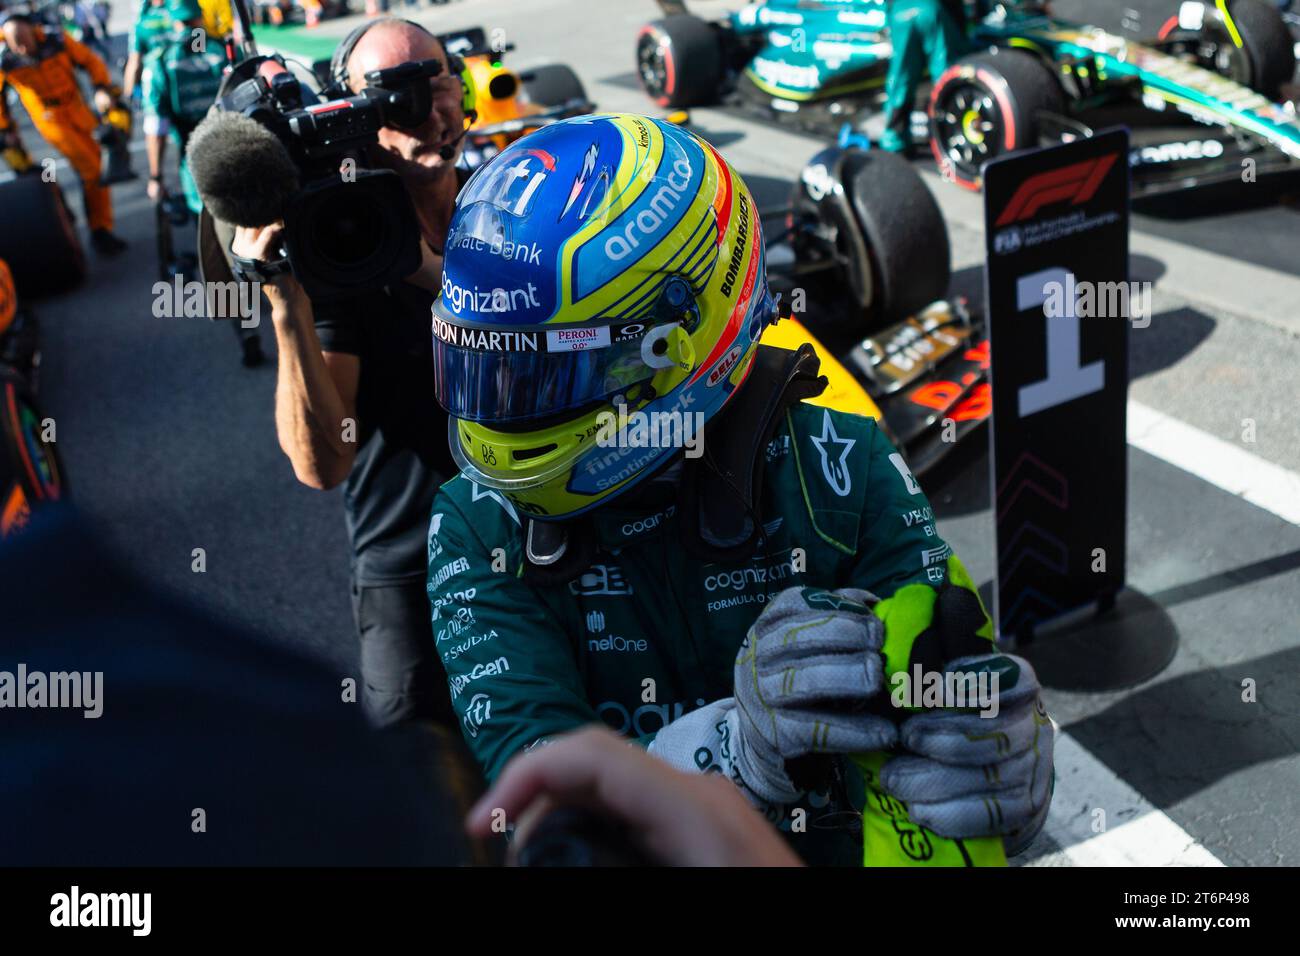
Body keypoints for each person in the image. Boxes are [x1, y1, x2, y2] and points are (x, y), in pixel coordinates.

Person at [425, 113, 1055, 865]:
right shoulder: (474, 524)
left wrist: (1004, 753)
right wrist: (727, 754)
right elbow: (536, 804)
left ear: (680, 345)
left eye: (543, 377)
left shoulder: (840, 460)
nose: (502, 411)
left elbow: (951, 654)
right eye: (482, 371)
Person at [228, 18, 474, 728]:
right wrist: (282, 297)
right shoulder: (344, 247)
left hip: (544, 533)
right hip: (412, 560)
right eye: (395, 95)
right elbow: (323, 463)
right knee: (421, 781)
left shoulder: (513, 206)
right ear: (353, 114)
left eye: (436, 82)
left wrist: (425, 271)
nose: (429, 111)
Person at [0, 13, 128, 255]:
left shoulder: (55, 39)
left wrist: (102, 88)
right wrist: (5, 130)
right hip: (51, 120)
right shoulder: (4, 60)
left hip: (78, 111)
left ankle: (99, 227)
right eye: (15, 42)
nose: (22, 47)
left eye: (24, 39)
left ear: (33, 30)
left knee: (99, 166)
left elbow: (90, 61)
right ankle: (99, 230)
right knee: (91, 169)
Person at [879, 0, 971, 155]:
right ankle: (951, 137)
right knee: (946, 78)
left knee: (900, 80)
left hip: (899, 12)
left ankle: (893, 140)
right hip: (932, 9)